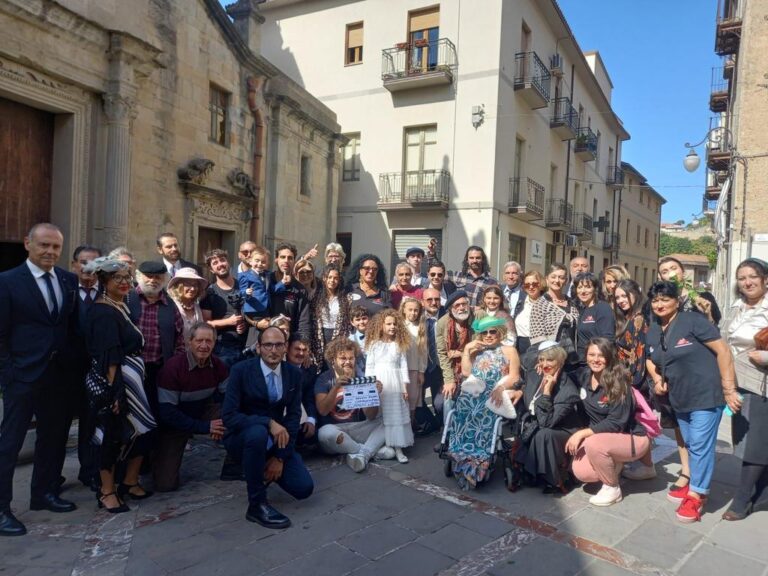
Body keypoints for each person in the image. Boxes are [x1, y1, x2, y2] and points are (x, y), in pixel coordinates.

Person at [0, 223, 79, 536]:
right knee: (9, 444)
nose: (50, 252)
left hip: (57, 376)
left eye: (55, 247)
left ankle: (43, 493)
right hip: (22, 376)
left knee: (53, 437)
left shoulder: (67, 279)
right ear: (27, 243)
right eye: (44, 245)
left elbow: (70, 328)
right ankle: (2, 508)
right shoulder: (6, 282)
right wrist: (9, 373)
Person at [645, 280, 739, 523]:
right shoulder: (655, 327)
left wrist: (729, 389)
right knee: (689, 443)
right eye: (655, 300)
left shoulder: (693, 321)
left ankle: (697, 495)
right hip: (679, 397)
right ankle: (695, 483)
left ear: (677, 301)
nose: (659, 304)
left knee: (699, 444)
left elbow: (723, 351)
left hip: (705, 394)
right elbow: (650, 358)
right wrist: (657, 378)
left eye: (665, 299)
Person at [222, 326, 314, 529]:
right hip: (244, 436)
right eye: (268, 345)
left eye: (279, 345)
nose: (273, 350)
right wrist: (268, 422)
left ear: (285, 348)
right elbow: (229, 416)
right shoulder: (241, 371)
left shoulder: (292, 374)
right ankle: (257, 504)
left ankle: (256, 468)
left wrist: (280, 457)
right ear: (258, 348)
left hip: (276, 440)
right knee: (258, 433)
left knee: (304, 488)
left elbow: (292, 417)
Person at [84, 257, 156, 513]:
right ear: (104, 281)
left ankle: (129, 480)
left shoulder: (119, 305)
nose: (125, 282)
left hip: (132, 382)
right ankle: (107, 491)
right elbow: (109, 357)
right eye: (118, 278)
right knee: (111, 435)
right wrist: (115, 393)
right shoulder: (102, 311)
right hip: (115, 384)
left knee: (143, 431)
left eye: (127, 277)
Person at [567, 338, 653, 506]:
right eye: (591, 354)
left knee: (593, 443)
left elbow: (616, 422)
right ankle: (616, 462)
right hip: (604, 438)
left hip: (632, 438)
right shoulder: (584, 375)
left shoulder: (618, 382)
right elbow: (561, 372)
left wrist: (583, 433)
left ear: (610, 357)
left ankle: (612, 488)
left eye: (601, 355)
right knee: (583, 472)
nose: (596, 359)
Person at [448, 316, 521, 490]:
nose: (488, 335)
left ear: (500, 332)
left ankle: (479, 457)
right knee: (461, 409)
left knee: (484, 414)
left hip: (493, 393)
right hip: (474, 392)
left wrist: (501, 387)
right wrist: (467, 349)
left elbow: (515, 376)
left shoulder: (509, 350)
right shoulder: (475, 350)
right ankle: (461, 451)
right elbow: (466, 372)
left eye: (492, 331)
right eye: (484, 332)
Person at [154, 322, 228, 492]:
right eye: (199, 340)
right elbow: (168, 413)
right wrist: (204, 427)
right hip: (174, 423)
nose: (204, 346)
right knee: (165, 485)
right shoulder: (173, 368)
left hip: (202, 411)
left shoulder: (218, 366)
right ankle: (155, 458)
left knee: (235, 418)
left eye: (209, 341)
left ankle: (234, 465)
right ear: (189, 342)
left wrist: (222, 421)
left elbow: (230, 398)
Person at [721, 258, 768, 520]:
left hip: (762, 384)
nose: (747, 282)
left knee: (754, 443)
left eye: (753, 276)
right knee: (745, 438)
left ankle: (741, 499)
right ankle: (762, 494)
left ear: (765, 279)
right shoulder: (736, 307)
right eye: (742, 278)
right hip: (737, 381)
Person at [514, 341, 584, 493]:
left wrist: (547, 391)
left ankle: (555, 478)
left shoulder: (568, 390)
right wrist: (520, 391)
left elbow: (547, 422)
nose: (544, 364)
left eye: (550, 360)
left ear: (560, 361)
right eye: (541, 360)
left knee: (542, 434)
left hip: (564, 430)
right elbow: (527, 396)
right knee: (532, 429)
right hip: (542, 424)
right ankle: (534, 473)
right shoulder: (536, 375)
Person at [315, 338, 391, 472]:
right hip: (336, 431)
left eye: (351, 358)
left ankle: (360, 454)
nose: (347, 362)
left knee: (389, 422)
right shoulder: (324, 379)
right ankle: (368, 451)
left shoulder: (361, 377)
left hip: (359, 428)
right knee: (324, 433)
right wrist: (336, 387)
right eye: (343, 358)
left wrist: (374, 395)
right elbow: (322, 410)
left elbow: (371, 415)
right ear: (333, 360)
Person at [63, 244, 103, 492]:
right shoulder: (63, 290)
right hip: (64, 373)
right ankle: (50, 478)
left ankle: (89, 471)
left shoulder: (108, 294)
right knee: (58, 426)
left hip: (96, 372)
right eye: (83, 263)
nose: (88, 268)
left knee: (91, 423)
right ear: (74, 265)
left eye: (94, 264)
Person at [127, 261, 185, 417]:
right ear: (139, 276)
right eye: (148, 276)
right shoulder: (127, 299)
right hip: (129, 369)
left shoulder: (170, 306)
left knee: (154, 414)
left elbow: (179, 341)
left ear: (164, 279)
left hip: (159, 371)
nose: (152, 280)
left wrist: (173, 368)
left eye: (157, 277)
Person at [365, 309, 414, 463]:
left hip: (395, 383)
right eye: (389, 324)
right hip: (380, 383)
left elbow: (403, 366)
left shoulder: (398, 344)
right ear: (381, 326)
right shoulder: (373, 345)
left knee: (395, 415)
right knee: (382, 415)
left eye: (394, 324)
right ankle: (382, 444)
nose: (392, 326)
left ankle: (398, 448)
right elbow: (370, 367)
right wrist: (371, 386)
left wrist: (405, 388)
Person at [200, 249, 246, 367]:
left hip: (248, 345)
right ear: (211, 269)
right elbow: (206, 323)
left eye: (222, 260)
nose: (220, 264)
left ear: (228, 262)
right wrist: (229, 322)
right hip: (223, 348)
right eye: (215, 263)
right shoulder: (210, 293)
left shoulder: (243, 285)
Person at [529, 264, 579, 366]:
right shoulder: (540, 304)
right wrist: (546, 361)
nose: (557, 280)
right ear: (547, 279)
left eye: (561, 277)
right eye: (553, 277)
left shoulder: (573, 303)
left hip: (574, 360)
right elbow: (537, 338)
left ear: (566, 280)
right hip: (552, 361)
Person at [436, 291, 474, 420]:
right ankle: (449, 434)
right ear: (451, 309)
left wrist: (462, 353)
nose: (461, 308)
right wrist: (449, 380)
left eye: (464, 304)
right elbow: (442, 353)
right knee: (444, 399)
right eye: (457, 305)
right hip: (453, 369)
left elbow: (483, 344)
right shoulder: (442, 323)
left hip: (475, 366)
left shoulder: (477, 316)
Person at [427, 243, 498, 307]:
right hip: (459, 317)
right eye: (471, 258)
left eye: (478, 258)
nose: (474, 261)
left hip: (479, 319)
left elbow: (497, 303)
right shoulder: (457, 276)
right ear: (467, 260)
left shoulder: (491, 282)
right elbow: (437, 270)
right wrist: (432, 254)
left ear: (483, 260)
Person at [658, 256, 721, 325]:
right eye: (664, 272)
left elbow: (715, 326)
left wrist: (708, 314)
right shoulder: (658, 301)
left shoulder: (704, 296)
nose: (671, 274)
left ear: (683, 272)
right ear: (661, 278)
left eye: (674, 268)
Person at [310, 264, 350, 372]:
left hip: (337, 336)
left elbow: (346, 322)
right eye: (329, 277)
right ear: (324, 278)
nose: (332, 280)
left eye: (335, 278)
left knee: (334, 366)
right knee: (320, 366)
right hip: (320, 336)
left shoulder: (344, 298)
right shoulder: (316, 297)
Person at [614, 280, 650, 392]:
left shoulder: (638, 319)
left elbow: (638, 355)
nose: (620, 300)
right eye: (617, 297)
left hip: (634, 381)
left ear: (635, 293)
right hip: (624, 375)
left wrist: (631, 382)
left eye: (624, 296)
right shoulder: (627, 317)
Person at [269, 242, 311, 339]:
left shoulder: (300, 289)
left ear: (294, 261)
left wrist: (302, 341)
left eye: (290, 258)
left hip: (289, 341)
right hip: (265, 339)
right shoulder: (266, 282)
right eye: (282, 257)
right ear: (276, 260)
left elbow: (304, 322)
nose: (286, 261)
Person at [239, 245, 286, 325]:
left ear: (267, 263)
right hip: (253, 309)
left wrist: (282, 282)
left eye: (263, 262)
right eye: (257, 261)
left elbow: (272, 289)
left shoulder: (267, 275)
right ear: (250, 261)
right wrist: (246, 292)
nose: (260, 264)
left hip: (266, 309)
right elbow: (241, 292)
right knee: (255, 332)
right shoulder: (245, 275)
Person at [285, 335, 319, 448]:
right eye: (297, 349)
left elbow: (309, 397)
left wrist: (311, 419)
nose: (300, 353)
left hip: (300, 414)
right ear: (287, 348)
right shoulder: (278, 365)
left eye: (304, 350)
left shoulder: (310, 369)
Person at [573, 272, 615, 362]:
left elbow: (607, 339)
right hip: (581, 363)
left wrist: (597, 359)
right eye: (580, 287)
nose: (583, 291)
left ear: (595, 289)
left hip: (595, 362)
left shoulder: (602, 308)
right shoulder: (581, 310)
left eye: (588, 287)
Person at [400, 297, 427, 425]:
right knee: (401, 399)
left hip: (414, 368)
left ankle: (411, 425)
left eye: (416, 310)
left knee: (413, 399)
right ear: (404, 310)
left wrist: (421, 371)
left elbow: (423, 351)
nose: (413, 313)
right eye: (410, 310)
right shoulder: (399, 325)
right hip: (400, 369)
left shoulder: (420, 327)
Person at [167, 267, 212, 341]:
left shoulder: (196, 307)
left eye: (195, 285)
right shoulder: (170, 306)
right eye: (188, 284)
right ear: (178, 286)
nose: (192, 289)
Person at [422, 289, 444, 415]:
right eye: (429, 299)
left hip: (440, 367)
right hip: (422, 367)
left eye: (437, 299)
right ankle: (431, 424)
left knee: (439, 403)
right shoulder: (416, 318)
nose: (434, 302)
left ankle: (442, 425)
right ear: (422, 302)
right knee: (417, 402)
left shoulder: (447, 317)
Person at [515, 270, 545, 356]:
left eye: (534, 284)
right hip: (521, 348)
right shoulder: (520, 303)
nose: (531, 287)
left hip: (540, 348)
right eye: (527, 285)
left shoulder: (547, 303)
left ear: (541, 284)